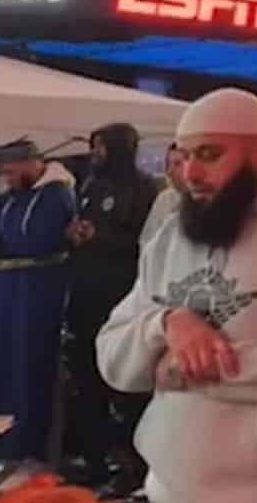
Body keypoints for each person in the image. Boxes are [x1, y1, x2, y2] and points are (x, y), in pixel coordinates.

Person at [97, 88, 257, 503]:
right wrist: (167, 324)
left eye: (210, 154)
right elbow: (111, 355)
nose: (190, 174)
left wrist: (185, 367)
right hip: (164, 484)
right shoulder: (173, 232)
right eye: (183, 157)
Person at [66, 123, 157, 490]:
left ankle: (132, 466)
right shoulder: (90, 184)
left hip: (120, 298)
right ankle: (94, 460)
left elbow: (144, 242)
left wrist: (100, 236)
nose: (95, 154)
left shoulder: (143, 187)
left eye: (101, 147)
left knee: (124, 384)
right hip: (86, 296)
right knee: (86, 380)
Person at [0, 140, 76, 462]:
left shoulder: (57, 195)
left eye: (12, 171)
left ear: (31, 164)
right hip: (9, 290)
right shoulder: (13, 197)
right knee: (5, 364)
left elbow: (36, 239)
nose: (7, 178)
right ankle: (4, 439)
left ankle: (27, 446)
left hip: (39, 290)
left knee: (29, 365)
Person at [141, 143, 186, 247]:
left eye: (177, 164)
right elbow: (147, 239)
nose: (170, 171)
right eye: (168, 164)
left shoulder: (206, 199)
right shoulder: (164, 199)